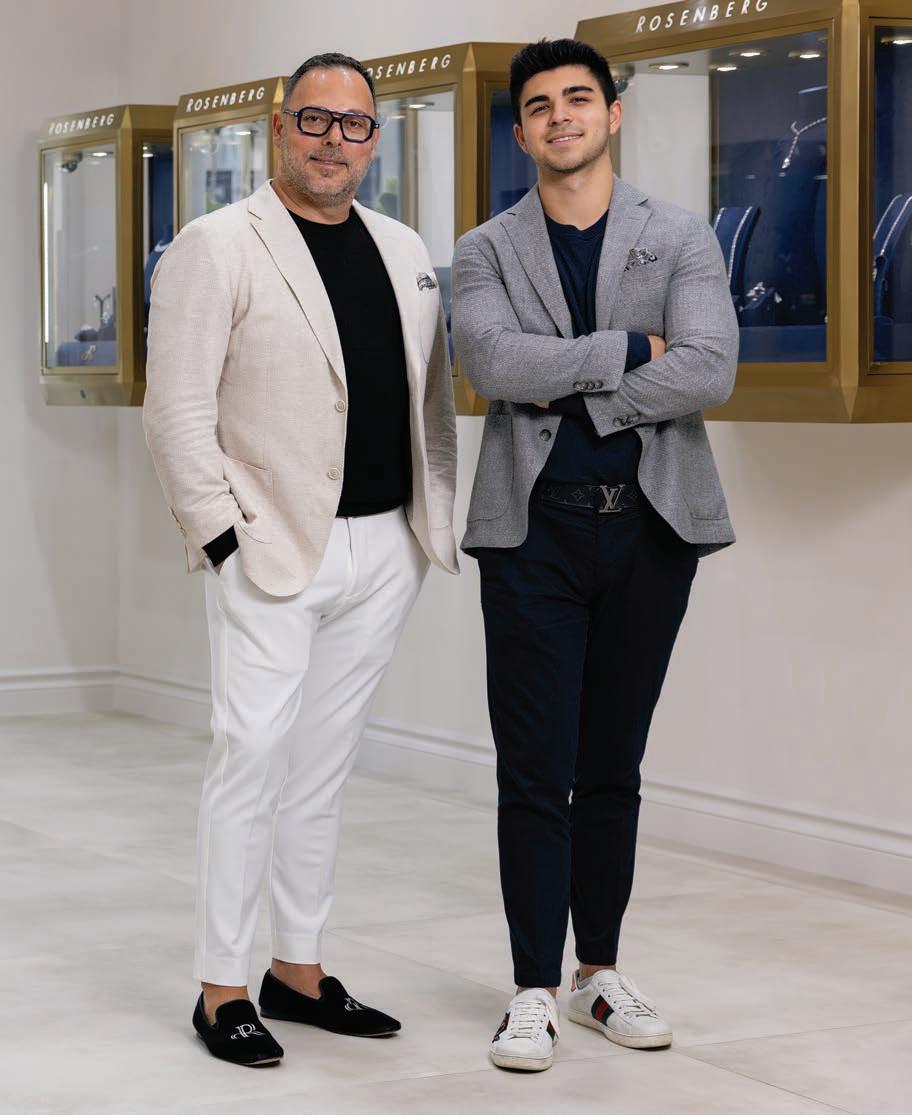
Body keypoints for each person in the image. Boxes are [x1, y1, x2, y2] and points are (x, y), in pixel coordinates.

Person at [144, 51, 458, 1067]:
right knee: (250, 758)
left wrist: (424, 524)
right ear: (280, 127)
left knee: (322, 768)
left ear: (375, 139)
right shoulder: (216, 244)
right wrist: (221, 540)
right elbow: (174, 408)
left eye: (353, 124)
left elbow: (427, 396)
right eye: (314, 120)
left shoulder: (402, 247)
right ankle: (221, 986)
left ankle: (299, 969)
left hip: (384, 545)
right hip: (271, 545)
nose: (333, 140)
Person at [451, 37, 738, 1073]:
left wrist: (569, 384)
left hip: (651, 527)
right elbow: (490, 362)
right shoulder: (484, 250)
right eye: (539, 105)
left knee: (612, 764)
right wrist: (625, 351)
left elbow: (709, 369)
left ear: (612, 113)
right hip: (531, 531)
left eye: (578, 98)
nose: (559, 116)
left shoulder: (679, 233)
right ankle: (530, 985)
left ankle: (597, 974)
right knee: (535, 768)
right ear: (521, 130)